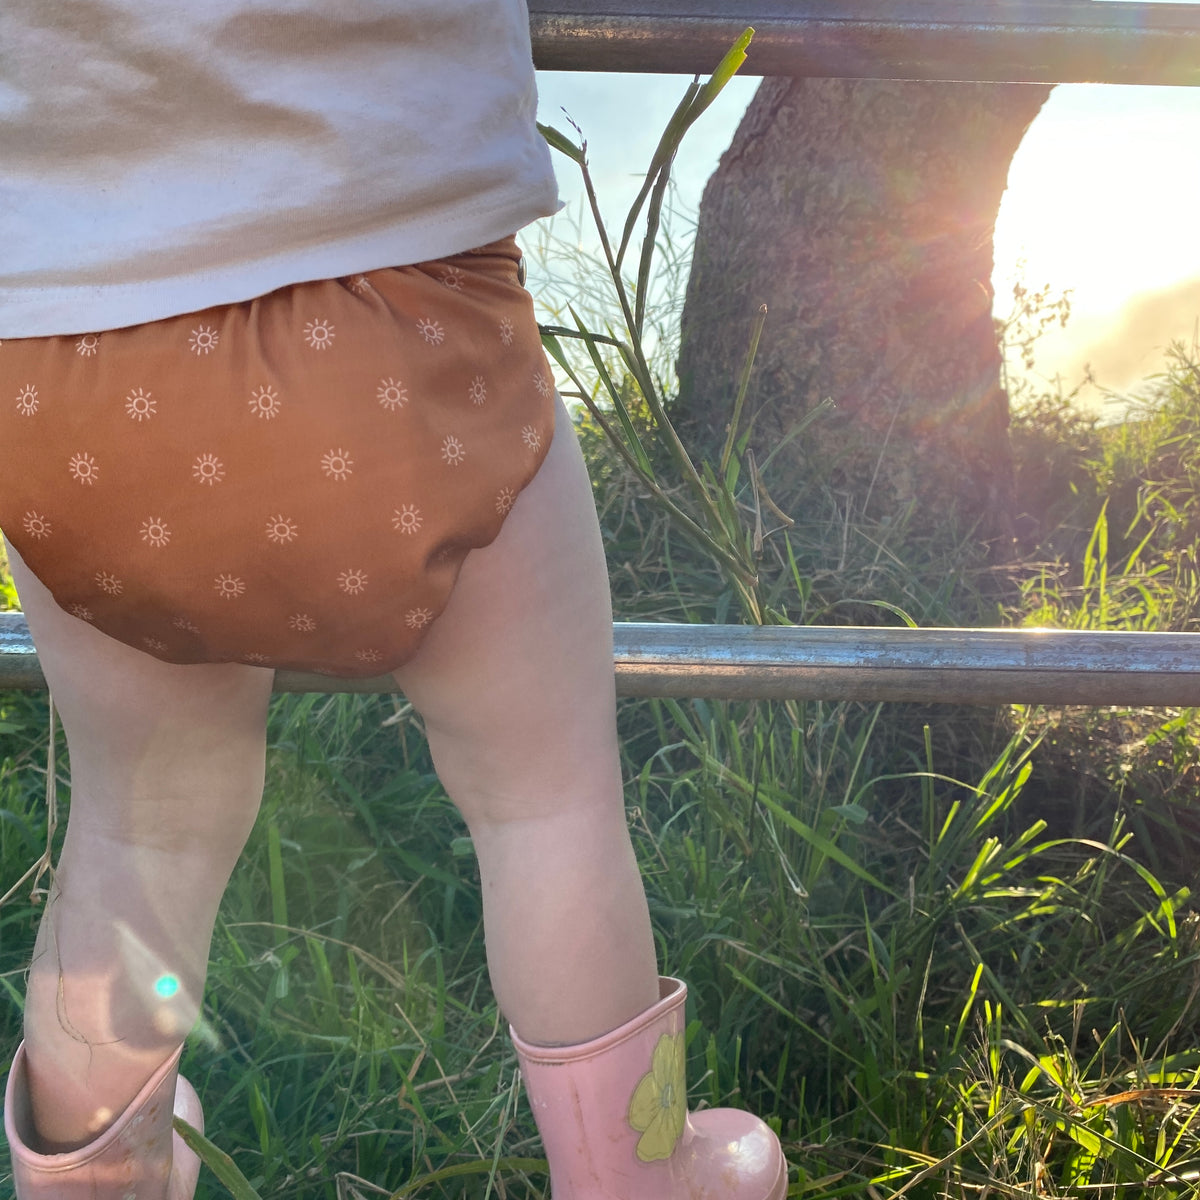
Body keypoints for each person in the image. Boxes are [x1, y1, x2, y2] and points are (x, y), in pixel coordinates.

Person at [0, 2, 787, 1197]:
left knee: (136, 823)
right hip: (404, 320)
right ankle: (644, 1174)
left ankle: (94, 1179)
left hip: (62, 353)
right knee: (543, 802)